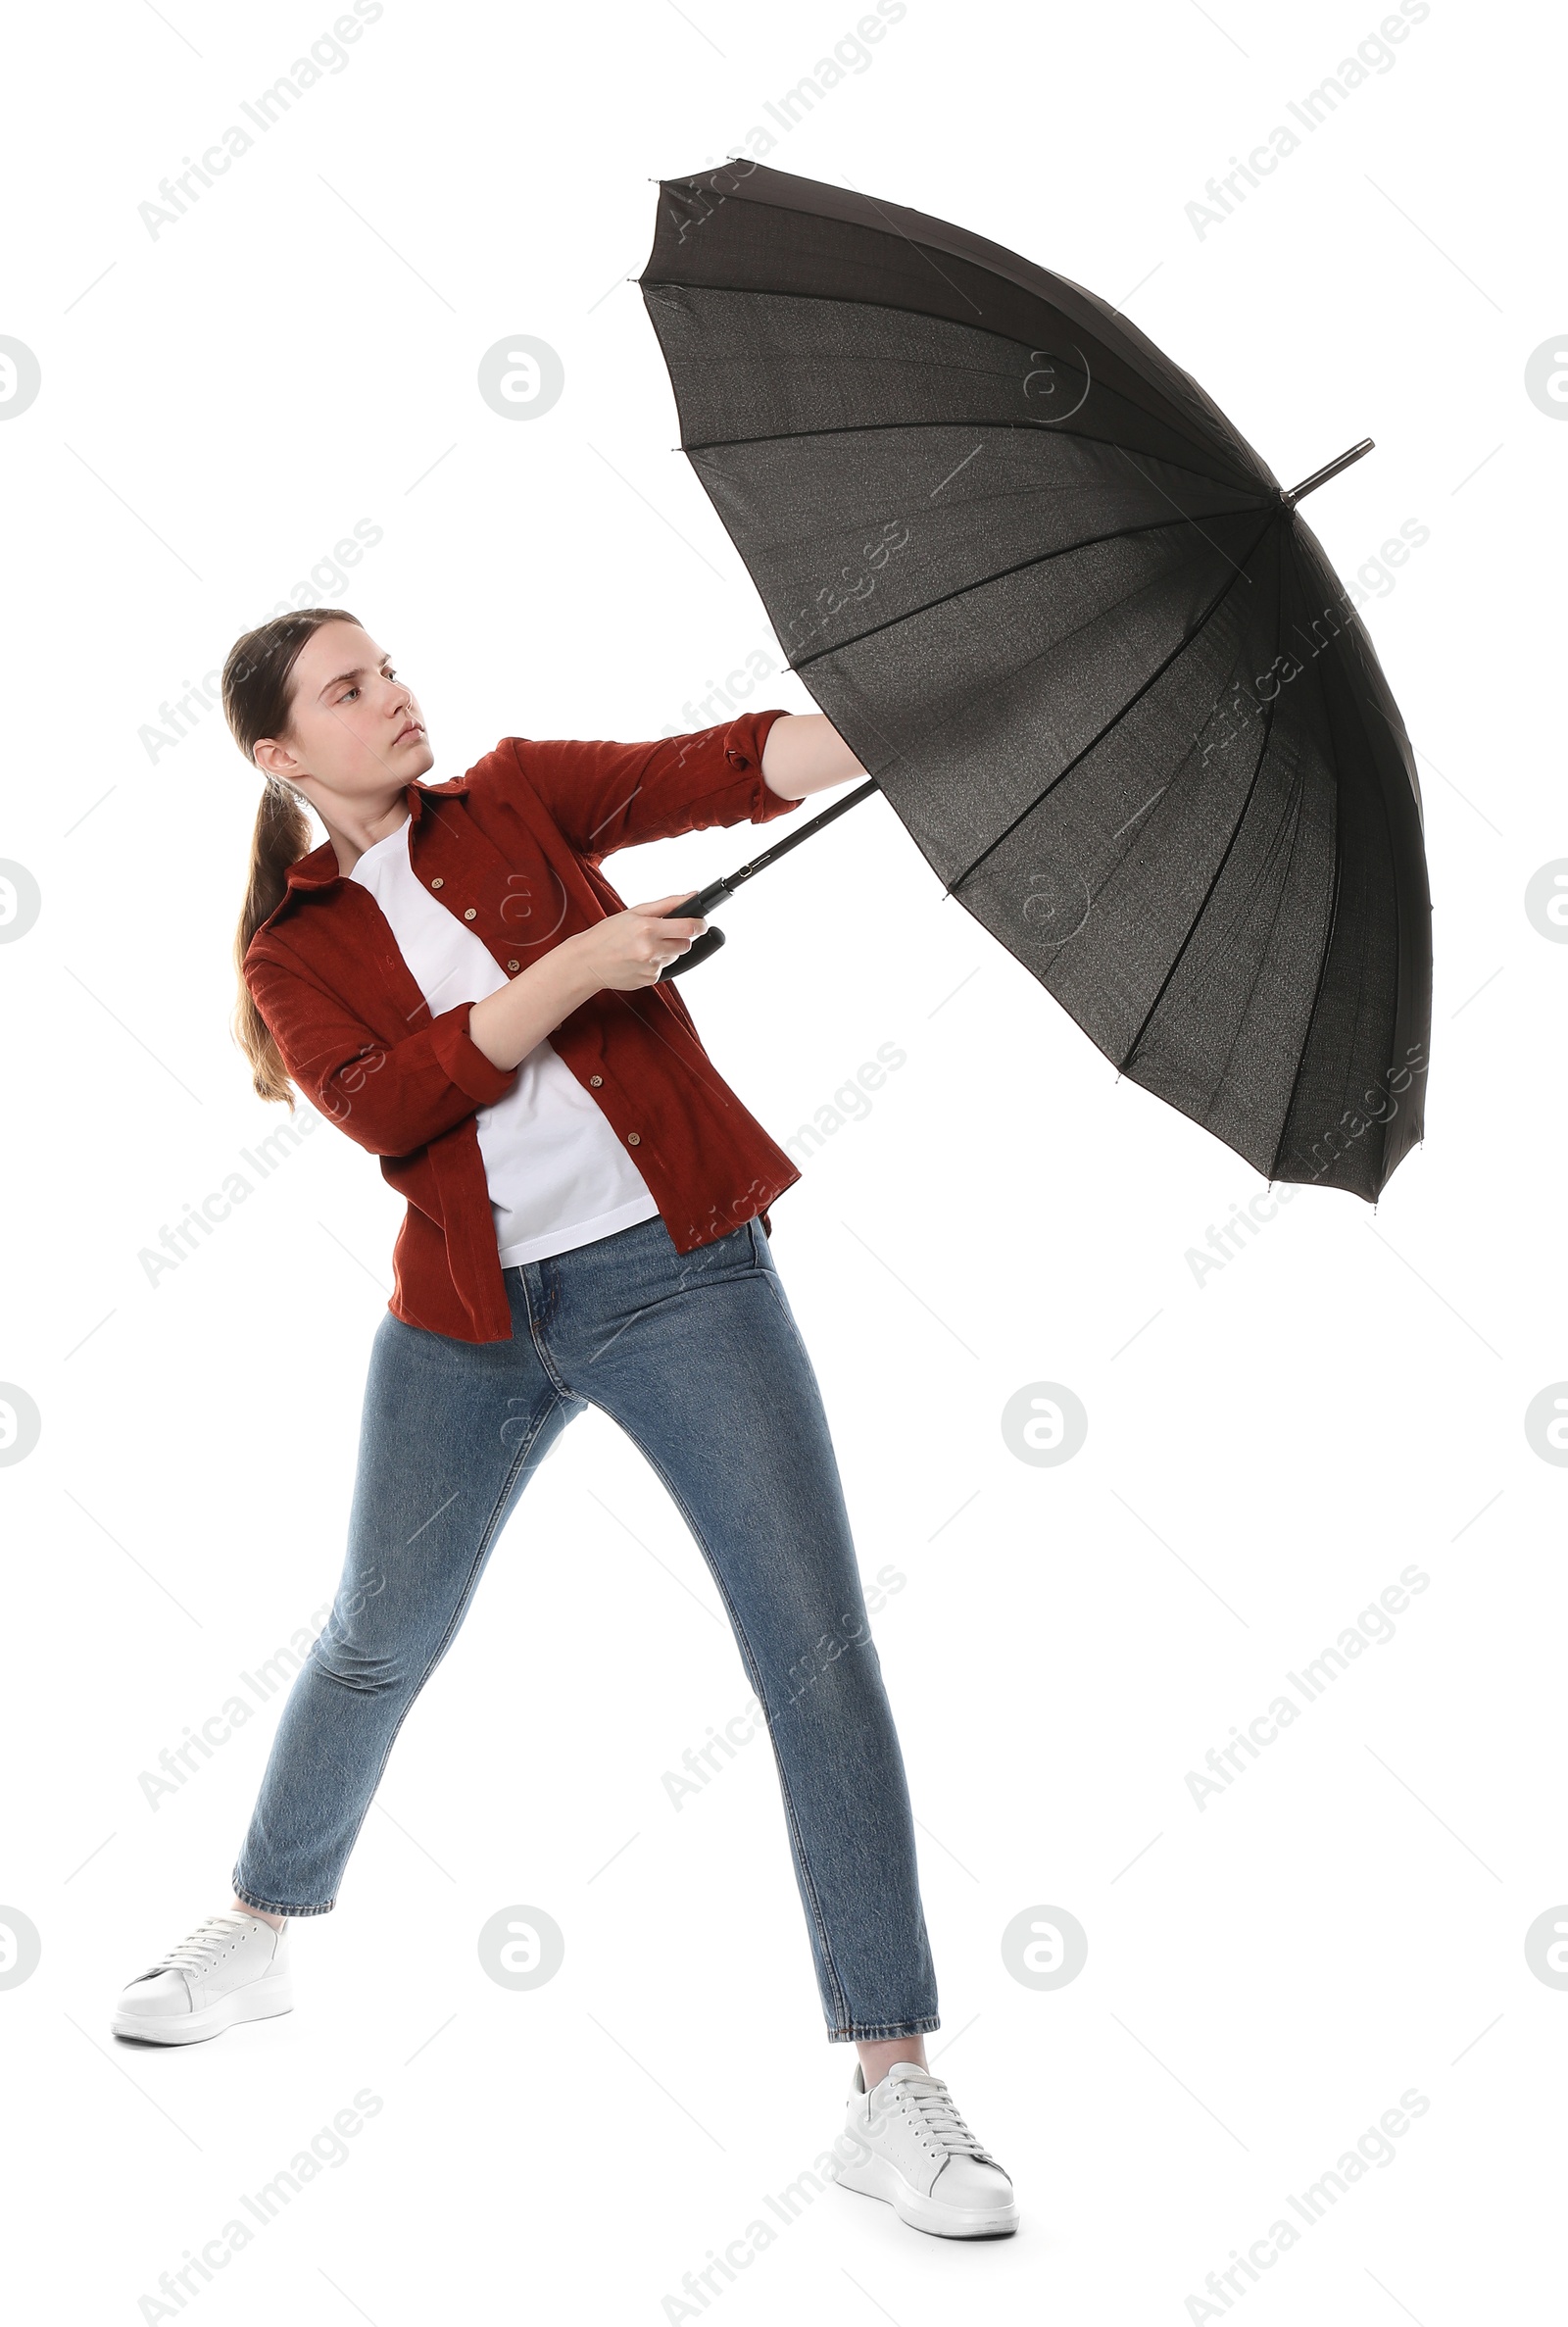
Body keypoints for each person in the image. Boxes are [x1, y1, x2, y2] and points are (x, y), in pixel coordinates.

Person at [109, 608, 1017, 2239]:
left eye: (388, 668)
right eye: (348, 688)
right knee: (377, 1634)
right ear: (279, 757)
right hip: (467, 1320)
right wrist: (575, 970)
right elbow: (389, 1103)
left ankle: (894, 2086)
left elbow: (727, 767)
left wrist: (902, 710)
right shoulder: (290, 950)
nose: (394, 696)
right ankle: (260, 1920)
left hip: (680, 1282)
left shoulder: (519, 796)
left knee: (812, 1646)